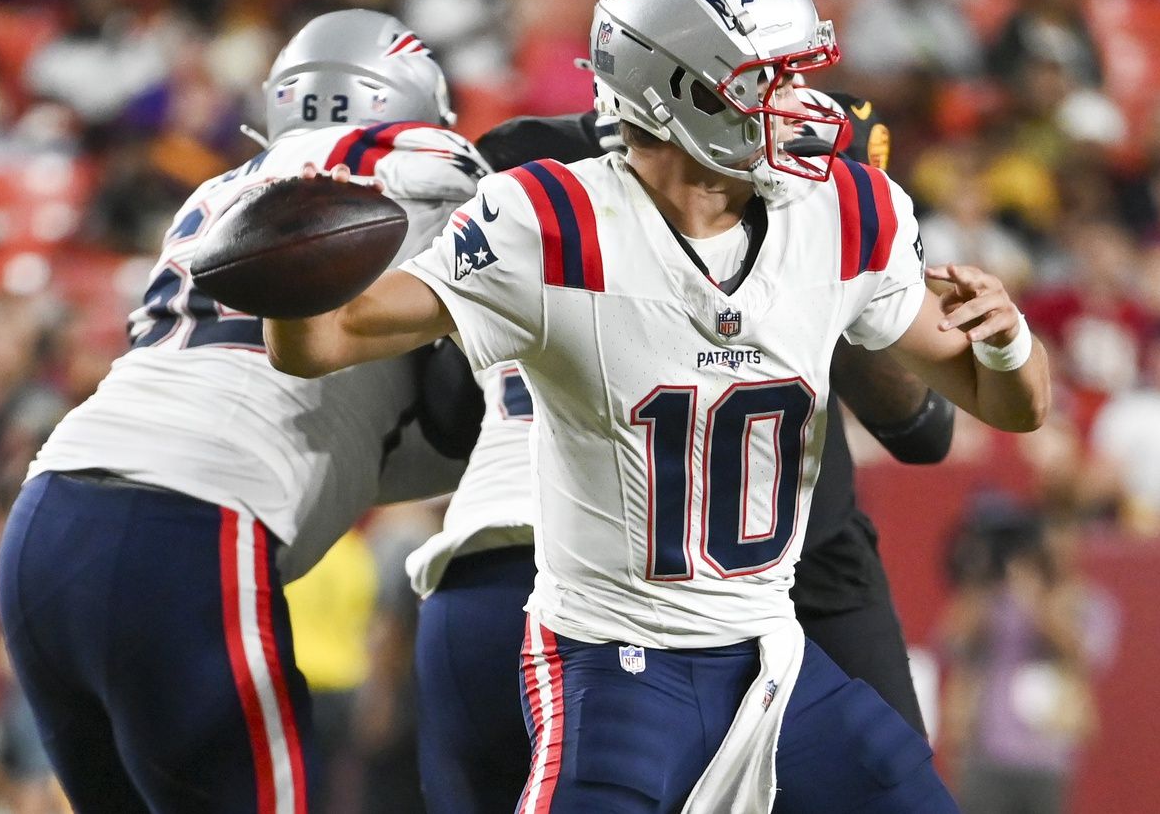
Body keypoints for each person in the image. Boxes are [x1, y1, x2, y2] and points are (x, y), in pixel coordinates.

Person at [265, 0, 1048, 813]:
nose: (803, 103)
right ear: (686, 90)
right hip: (614, 665)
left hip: (769, 654)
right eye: (770, 79)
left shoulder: (839, 206)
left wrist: (1009, 341)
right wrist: (286, 262)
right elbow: (325, 340)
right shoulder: (552, 219)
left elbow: (1010, 407)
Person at [408, 83, 955, 814]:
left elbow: (442, 415)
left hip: (498, 570)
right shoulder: (808, 171)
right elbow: (924, 428)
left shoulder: (527, 170)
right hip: (684, 587)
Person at [0, 9, 487, 814]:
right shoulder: (419, 162)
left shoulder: (215, 194)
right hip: (188, 524)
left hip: (49, 515)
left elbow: (343, 427)